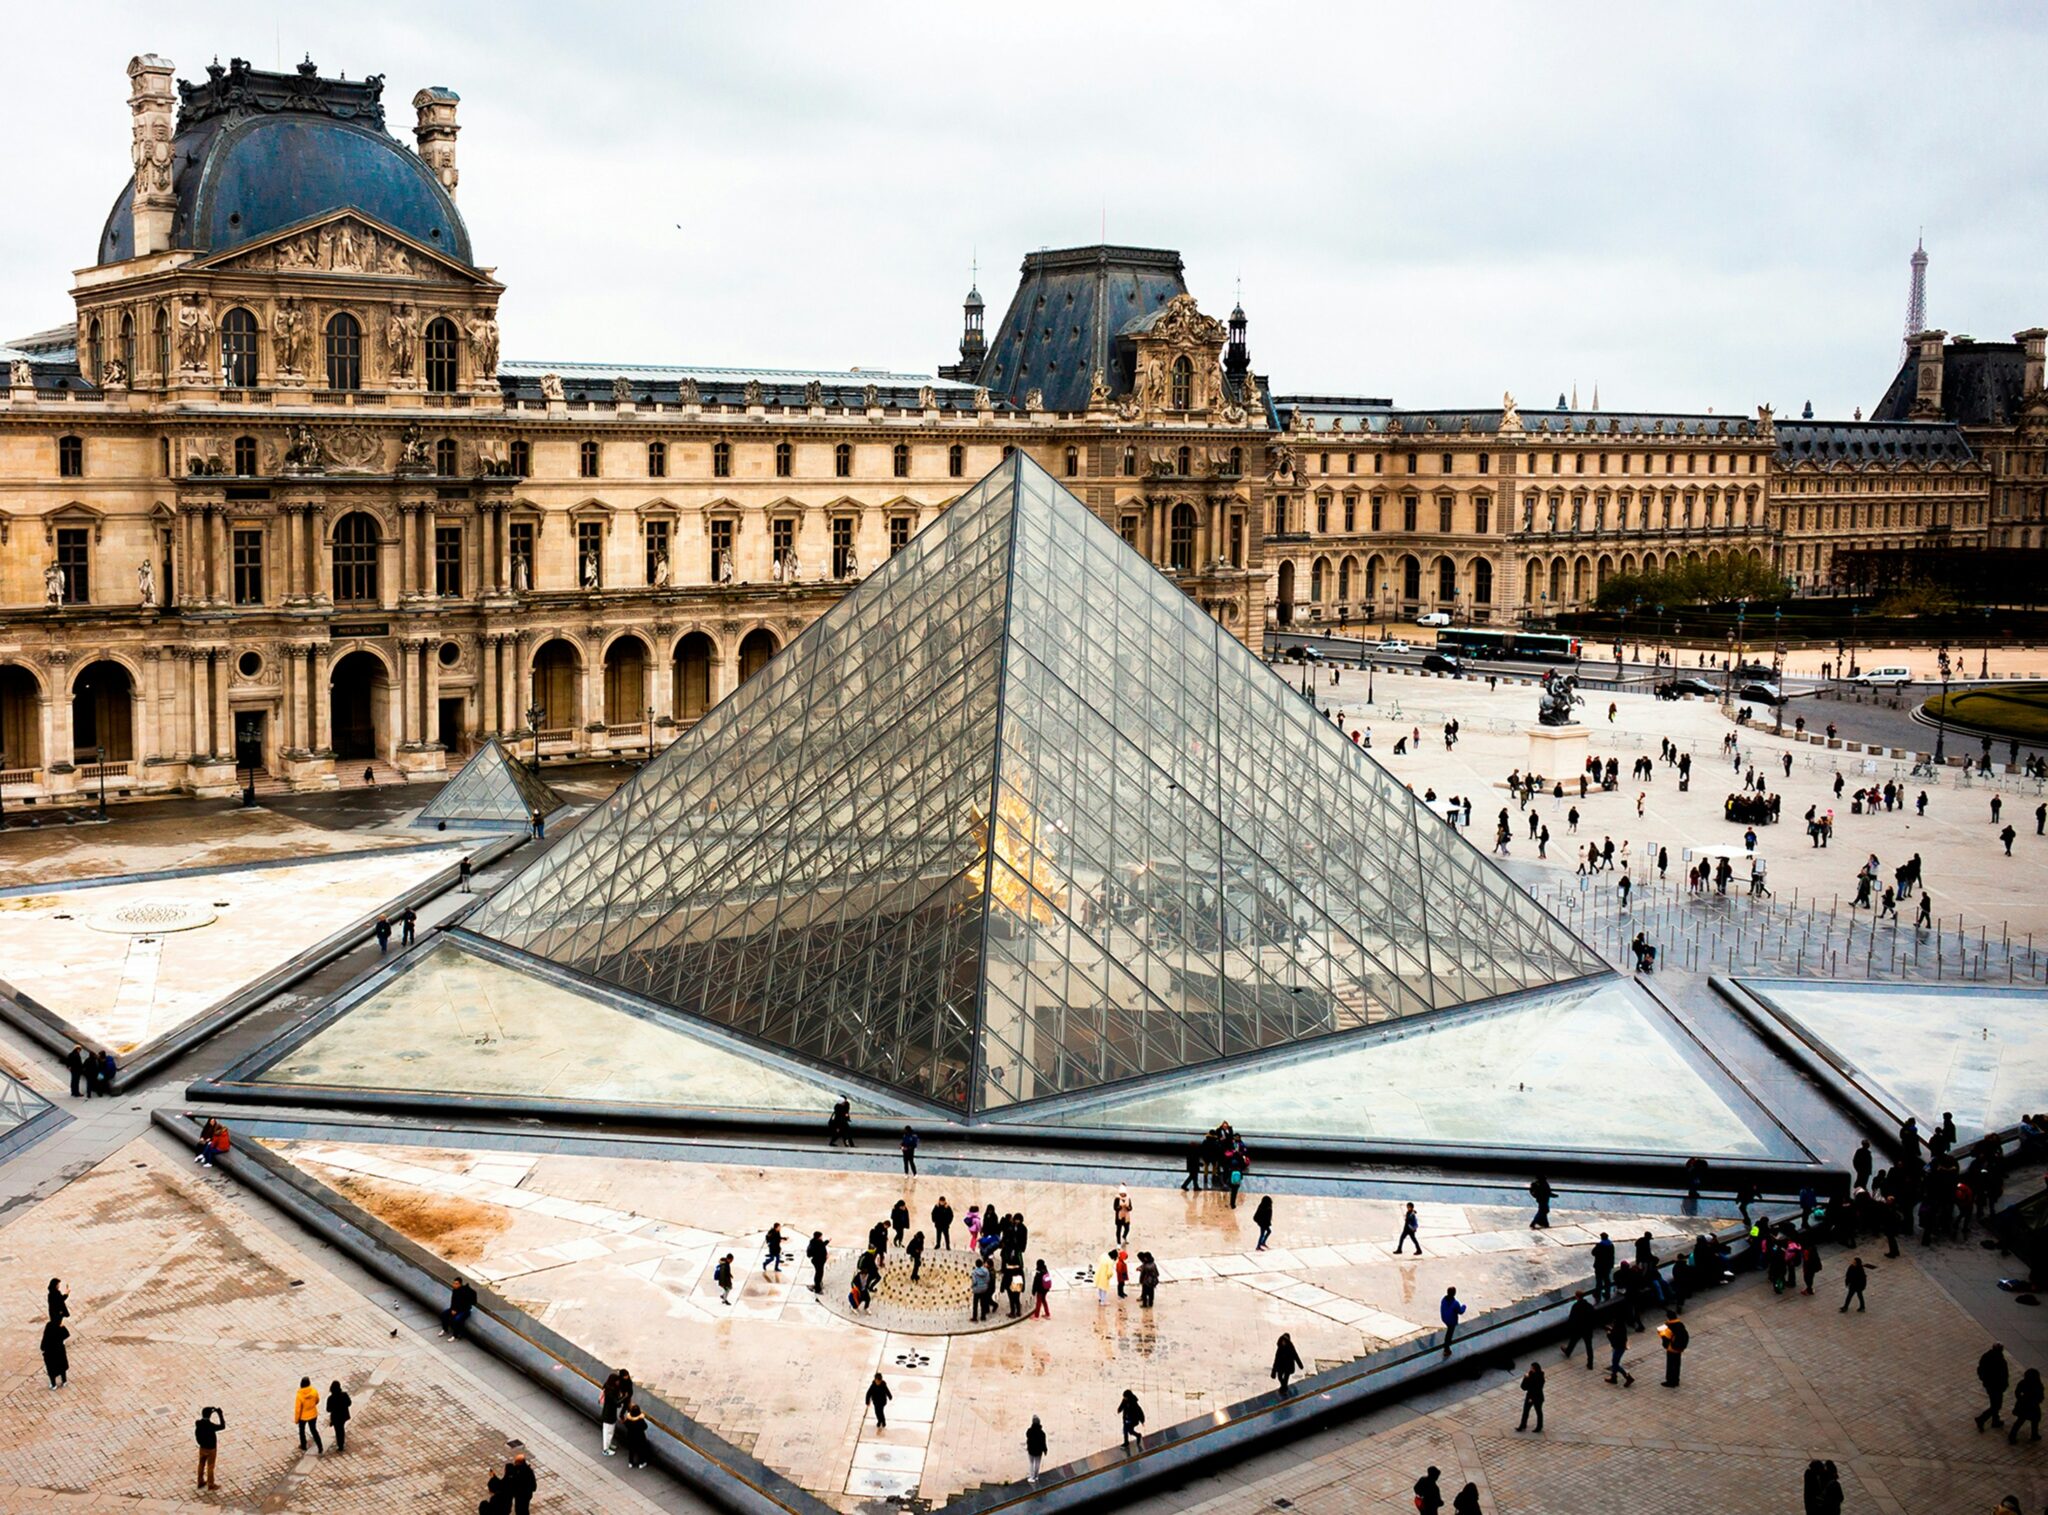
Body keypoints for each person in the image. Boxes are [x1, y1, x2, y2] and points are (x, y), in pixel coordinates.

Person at [1977, 1342, 2010, 1430]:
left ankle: (1995, 1421)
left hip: (1989, 1385)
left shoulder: (1986, 1356)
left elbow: (1980, 1369)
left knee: (1994, 1403)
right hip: (1997, 1386)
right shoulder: (2000, 1360)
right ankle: (1981, 1419)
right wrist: (2005, 1384)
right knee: (1997, 1405)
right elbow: (2004, 1375)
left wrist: (1983, 1379)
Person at [1561, 1291, 1597, 1368]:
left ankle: (1568, 1352)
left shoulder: (1576, 1306)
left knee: (1573, 1341)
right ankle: (1590, 1363)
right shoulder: (1589, 1305)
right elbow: (1593, 1316)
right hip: (1587, 1329)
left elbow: (1571, 1318)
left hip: (1578, 1328)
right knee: (1589, 1346)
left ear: (1577, 1296)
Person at [193, 1405, 225, 1491]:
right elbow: (222, 1426)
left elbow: (196, 1434)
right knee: (210, 1466)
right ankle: (211, 1484)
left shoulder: (198, 1423)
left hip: (202, 1447)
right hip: (211, 1448)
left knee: (201, 1464)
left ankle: (200, 1481)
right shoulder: (211, 1426)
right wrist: (220, 1414)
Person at [2009, 1367, 2043, 1444]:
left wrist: (2020, 1399)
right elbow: (2040, 1396)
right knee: (2035, 1420)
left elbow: (2017, 1392)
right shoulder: (2038, 1385)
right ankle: (2034, 1434)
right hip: (2033, 1406)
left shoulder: (2023, 1382)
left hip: (2023, 1405)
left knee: (2020, 1420)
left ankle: (2012, 1435)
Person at [600, 1369, 631, 1454]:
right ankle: (605, 1449)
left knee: (611, 1431)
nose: (618, 1382)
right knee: (607, 1431)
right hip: (608, 1415)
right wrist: (624, 1397)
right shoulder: (610, 1391)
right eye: (617, 1381)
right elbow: (616, 1402)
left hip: (610, 1414)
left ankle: (609, 1444)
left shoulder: (611, 1388)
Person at [294, 1376, 323, 1453]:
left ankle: (303, 1445)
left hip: (303, 1417)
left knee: (302, 1431)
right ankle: (320, 1446)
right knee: (314, 1430)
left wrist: (297, 1419)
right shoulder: (314, 1391)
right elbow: (317, 1400)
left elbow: (298, 1409)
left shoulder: (299, 1395)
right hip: (313, 1414)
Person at [1659, 1311, 1689, 1387]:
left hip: (1672, 1348)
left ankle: (1670, 1381)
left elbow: (1665, 1337)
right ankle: (1676, 1380)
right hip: (1679, 1349)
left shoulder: (1670, 1326)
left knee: (1670, 1365)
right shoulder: (1680, 1324)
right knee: (1677, 1364)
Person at [618, 1401, 650, 1468]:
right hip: (639, 1438)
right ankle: (641, 1463)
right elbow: (645, 1427)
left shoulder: (629, 1420)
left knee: (631, 1450)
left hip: (630, 1437)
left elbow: (626, 1424)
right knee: (640, 1450)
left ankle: (631, 1462)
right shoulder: (640, 1420)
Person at [1605, 1315, 1635, 1386]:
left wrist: (1609, 1334)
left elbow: (1613, 1338)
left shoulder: (1617, 1328)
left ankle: (1628, 1377)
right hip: (1620, 1346)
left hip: (1618, 1347)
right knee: (1614, 1362)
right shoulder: (1622, 1327)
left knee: (1615, 1364)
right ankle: (1613, 1377)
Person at [324, 1379, 352, 1453]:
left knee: (338, 1430)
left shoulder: (330, 1398)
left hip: (336, 1417)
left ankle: (340, 1444)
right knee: (341, 1429)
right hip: (343, 1415)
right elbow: (349, 1403)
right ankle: (341, 1444)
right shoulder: (344, 1394)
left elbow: (328, 1409)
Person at [1517, 1360, 1545, 1432]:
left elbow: (1537, 1389)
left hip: (1537, 1398)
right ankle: (1523, 1424)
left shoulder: (1540, 1377)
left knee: (1538, 1412)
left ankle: (1539, 1426)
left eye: (1532, 1368)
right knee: (1525, 1411)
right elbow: (1523, 1387)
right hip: (1530, 1396)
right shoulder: (1530, 1374)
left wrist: (1532, 1398)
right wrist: (1525, 1378)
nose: (1530, 1369)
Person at [1272, 1331, 1303, 1396]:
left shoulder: (1291, 1348)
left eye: (1284, 1341)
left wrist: (1300, 1364)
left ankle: (1284, 1389)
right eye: (1282, 1341)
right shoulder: (1280, 1348)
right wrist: (1274, 1371)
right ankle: (1284, 1387)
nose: (1283, 1342)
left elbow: (1295, 1356)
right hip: (1281, 1366)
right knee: (1280, 1377)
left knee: (1286, 1378)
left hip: (1288, 1366)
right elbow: (1276, 1359)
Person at [40, 1316, 68, 1388]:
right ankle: (64, 1381)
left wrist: (43, 1348)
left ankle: (53, 1384)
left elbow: (44, 1341)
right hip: (59, 1351)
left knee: (51, 1369)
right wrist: (62, 1327)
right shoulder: (60, 1328)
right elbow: (66, 1334)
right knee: (62, 1367)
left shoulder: (49, 1326)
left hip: (50, 1353)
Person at [1439, 1285, 1465, 1356]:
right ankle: (1446, 1348)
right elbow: (1460, 1312)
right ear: (1454, 1293)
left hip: (1444, 1318)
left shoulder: (1443, 1299)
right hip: (1451, 1321)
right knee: (1449, 1333)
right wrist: (1464, 1306)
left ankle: (1447, 1343)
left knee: (1449, 1330)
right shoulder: (1455, 1303)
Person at [1118, 1389, 1145, 1453]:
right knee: (1125, 1431)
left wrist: (1142, 1420)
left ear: (1128, 1396)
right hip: (1126, 1419)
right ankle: (1126, 1442)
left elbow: (1140, 1411)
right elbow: (1122, 1405)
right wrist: (1119, 1409)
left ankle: (1138, 1435)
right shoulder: (1124, 1400)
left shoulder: (1134, 1403)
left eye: (1125, 1397)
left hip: (1133, 1420)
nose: (1124, 1398)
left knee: (1130, 1431)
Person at [1025, 1414, 1048, 1484]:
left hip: (1031, 1450)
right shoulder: (1042, 1433)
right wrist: (1045, 1450)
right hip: (1038, 1451)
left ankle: (1032, 1477)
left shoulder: (1029, 1431)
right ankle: (1036, 1476)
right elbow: (1043, 1443)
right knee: (1037, 1463)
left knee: (1031, 1463)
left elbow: (1027, 1435)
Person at [1591, 1231, 1615, 1300]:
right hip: (1607, 1266)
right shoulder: (1611, 1245)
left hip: (1599, 1266)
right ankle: (1607, 1293)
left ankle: (1598, 1294)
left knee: (1599, 1280)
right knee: (1607, 1279)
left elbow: (1593, 1253)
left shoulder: (1599, 1246)